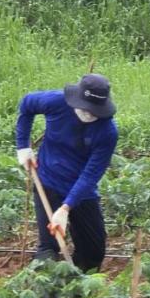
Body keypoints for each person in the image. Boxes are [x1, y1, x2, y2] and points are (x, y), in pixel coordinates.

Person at [15, 73, 118, 273]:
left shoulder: (107, 132)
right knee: (48, 249)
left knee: (94, 250)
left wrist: (65, 208)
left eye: (94, 111)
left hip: (82, 190)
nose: (89, 114)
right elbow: (27, 105)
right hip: (48, 181)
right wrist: (23, 147)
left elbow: (91, 174)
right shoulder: (56, 102)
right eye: (86, 108)